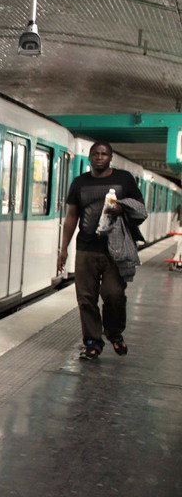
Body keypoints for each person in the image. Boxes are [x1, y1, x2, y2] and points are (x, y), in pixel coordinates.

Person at [57, 142, 146, 360]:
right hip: (86, 248)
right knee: (86, 298)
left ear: (110, 157)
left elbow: (140, 208)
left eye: (104, 154)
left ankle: (114, 333)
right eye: (95, 153)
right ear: (89, 157)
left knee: (114, 294)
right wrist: (64, 248)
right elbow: (72, 216)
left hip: (116, 249)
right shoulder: (79, 183)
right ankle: (92, 342)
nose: (99, 157)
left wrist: (121, 207)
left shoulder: (124, 179)